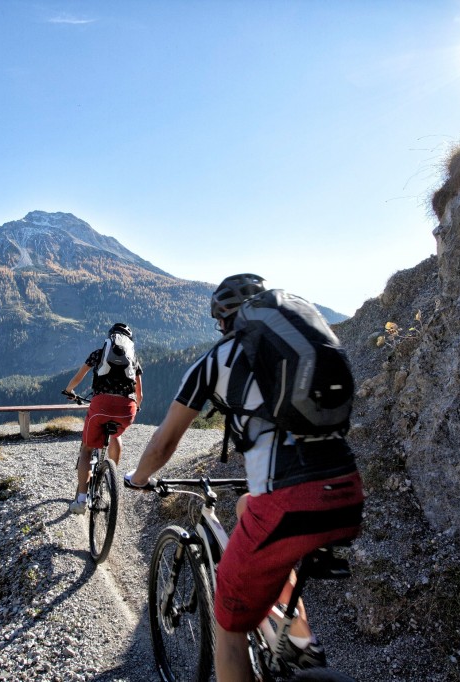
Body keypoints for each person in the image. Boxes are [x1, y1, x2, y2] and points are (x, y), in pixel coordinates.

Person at [125, 274, 363, 682]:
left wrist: (139, 478)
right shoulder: (300, 349)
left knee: (229, 623)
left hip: (287, 501)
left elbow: (163, 444)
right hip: (346, 491)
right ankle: (300, 650)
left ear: (221, 320)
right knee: (245, 507)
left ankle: (282, 649)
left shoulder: (217, 359)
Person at [63, 322, 144, 515]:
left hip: (100, 407)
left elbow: (79, 376)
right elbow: (140, 393)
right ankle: (111, 475)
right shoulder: (133, 359)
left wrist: (69, 391)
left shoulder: (99, 354)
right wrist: (136, 407)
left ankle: (81, 500)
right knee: (115, 434)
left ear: (110, 338)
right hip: (127, 410)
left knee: (87, 449)